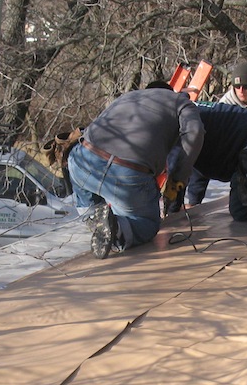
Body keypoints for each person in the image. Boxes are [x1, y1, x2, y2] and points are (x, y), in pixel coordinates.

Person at [67, 84, 205, 258]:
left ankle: (93, 218)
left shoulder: (128, 97)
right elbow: (195, 132)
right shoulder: (181, 103)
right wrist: (177, 178)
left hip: (81, 160)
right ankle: (117, 228)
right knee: (147, 224)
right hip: (125, 174)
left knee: (85, 192)